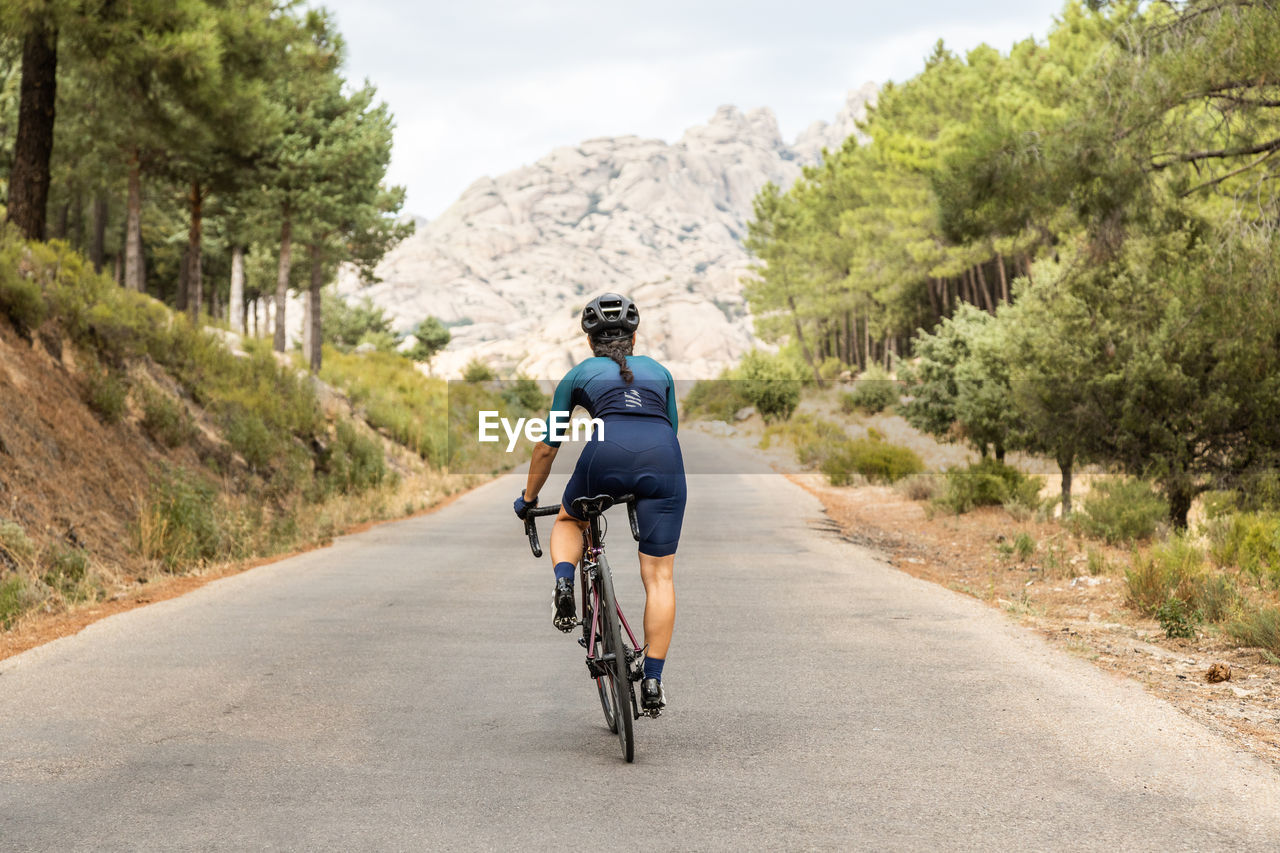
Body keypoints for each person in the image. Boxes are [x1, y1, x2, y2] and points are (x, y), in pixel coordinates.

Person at [513, 292, 686, 714]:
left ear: (590, 340)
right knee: (659, 577)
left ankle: (565, 582)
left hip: (604, 456)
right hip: (663, 461)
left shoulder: (578, 374)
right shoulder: (660, 372)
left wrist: (528, 498)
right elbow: (671, 432)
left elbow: (548, 447)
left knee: (570, 520)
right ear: (634, 336)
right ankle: (653, 682)